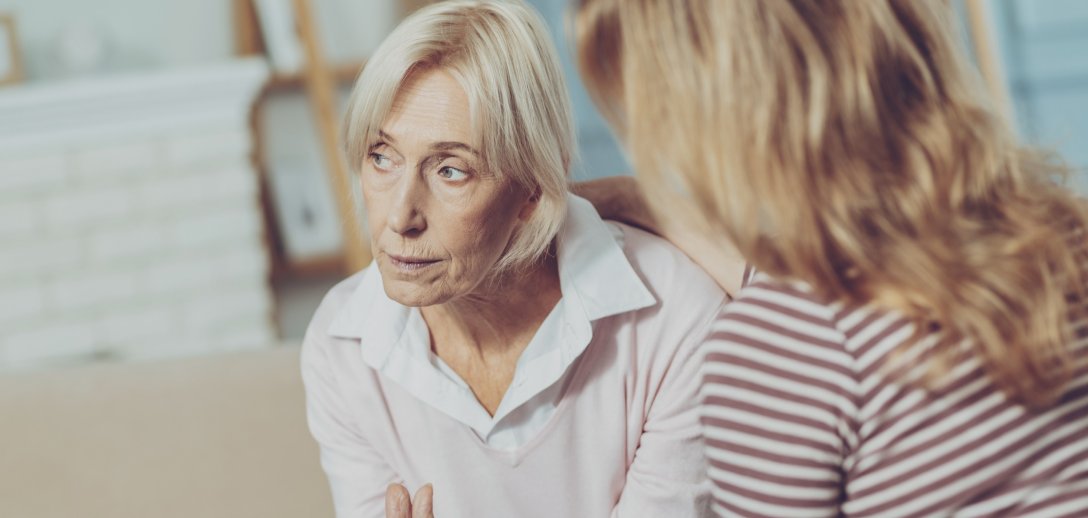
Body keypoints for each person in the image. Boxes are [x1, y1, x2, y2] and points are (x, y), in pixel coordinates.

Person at [573, 0, 1088, 515]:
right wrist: (627, 198)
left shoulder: (779, 344)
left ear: (716, 124)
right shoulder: (1062, 228)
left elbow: (808, 327)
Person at [300, 1, 722, 516]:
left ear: (533, 190)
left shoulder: (675, 320)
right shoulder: (342, 346)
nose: (399, 217)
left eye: (450, 170)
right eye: (382, 158)